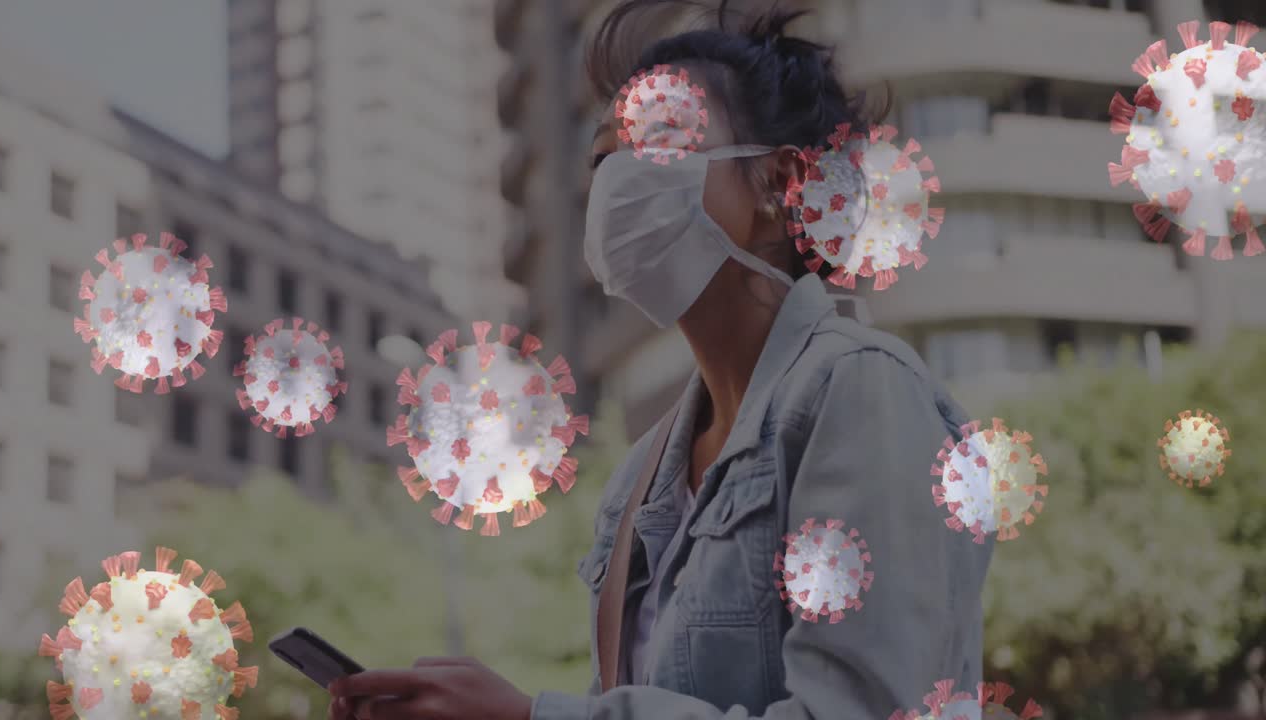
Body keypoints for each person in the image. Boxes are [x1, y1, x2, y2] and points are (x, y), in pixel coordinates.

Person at [329, 1, 992, 718]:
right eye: (604, 154)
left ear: (779, 184)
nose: (618, 177)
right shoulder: (638, 484)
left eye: (661, 137)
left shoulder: (859, 389)